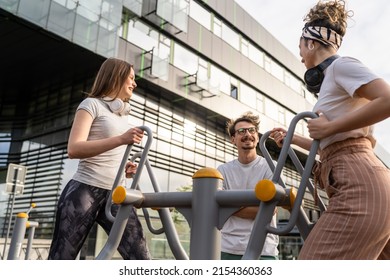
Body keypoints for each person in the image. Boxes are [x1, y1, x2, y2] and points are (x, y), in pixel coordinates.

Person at [271, 0, 390, 259]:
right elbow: (332, 138)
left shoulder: (340, 66)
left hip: (359, 185)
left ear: (311, 42)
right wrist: (292, 139)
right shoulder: (332, 82)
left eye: (300, 47)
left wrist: (330, 127)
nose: (300, 56)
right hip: (362, 181)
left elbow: (388, 99)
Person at [48, 57, 151, 260]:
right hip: (84, 190)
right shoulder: (91, 104)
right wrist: (121, 139)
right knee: (61, 259)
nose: (135, 83)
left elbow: (111, 152)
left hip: (116, 194)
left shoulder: (123, 116)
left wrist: (124, 169)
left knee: (141, 259)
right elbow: (74, 148)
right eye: (131, 77)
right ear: (116, 77)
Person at [217, 112, 279, 260]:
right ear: (233, 139)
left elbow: (270, 210)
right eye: (241, 131)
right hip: (228, 249)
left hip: (264, 250)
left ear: (257, 137)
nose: (247, 134)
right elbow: (218, 207)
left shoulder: (271, 166)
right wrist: (256, 207)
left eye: (252, 130)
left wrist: (230, 206)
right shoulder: (222, 170)